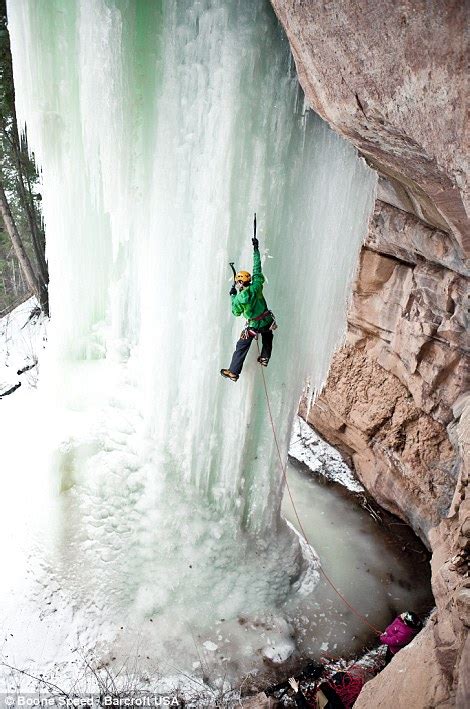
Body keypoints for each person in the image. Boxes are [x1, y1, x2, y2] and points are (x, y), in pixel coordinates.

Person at [220, 233, 276, 382]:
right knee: (268, 336)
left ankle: (233, 372)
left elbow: (236, 312)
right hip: (267, 320)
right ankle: (265, 357)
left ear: (239, 283)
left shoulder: (239, 298)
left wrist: (232, 296)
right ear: (249, 280)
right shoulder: (256, 286)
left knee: (242, 346)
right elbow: (257, 269)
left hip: (253, 326)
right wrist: (256, 249)